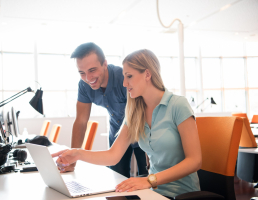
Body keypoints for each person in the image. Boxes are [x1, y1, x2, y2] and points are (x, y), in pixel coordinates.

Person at [52, 49, 202, 198]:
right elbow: (113, 155)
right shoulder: (135, 112)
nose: (124, 83)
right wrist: (77, 154)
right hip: (152, 193)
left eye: (129, 76)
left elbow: (195, 161)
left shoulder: (178, 105)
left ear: (147, 74)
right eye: (124, 76)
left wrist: (149, 180)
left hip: (182, 194)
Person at [65, 42, 148, 178]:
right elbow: (81, 121)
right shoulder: (84, 86)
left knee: (145, 178)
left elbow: (141, 111)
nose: (88, 78)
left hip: (141, 132)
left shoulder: (124, 78)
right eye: (82, 73)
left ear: (104, 64)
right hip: (117, 134)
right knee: (117, 179)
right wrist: (72, 158)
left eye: (92, 70)